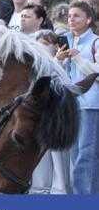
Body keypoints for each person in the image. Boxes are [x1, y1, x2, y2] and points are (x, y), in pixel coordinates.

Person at [57, 1, 99, 194]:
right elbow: (63, 76)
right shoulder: (67, 41)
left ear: (88, 20)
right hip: (72, 104)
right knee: (74, 155)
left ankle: (83, 200)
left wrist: (78, 58)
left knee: (86, 155)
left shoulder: (96, 42)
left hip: (91, 104)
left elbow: (96, 73)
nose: (71, 19)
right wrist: (59, 59)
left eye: (77, 16)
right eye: (70, 16)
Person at [31, 30, 74, 194]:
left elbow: (65, 84)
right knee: (40, 160)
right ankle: (39, 191)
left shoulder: (64, 62)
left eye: (44, 44)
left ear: (56, 46)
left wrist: (58, 60)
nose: (39, 47)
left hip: (57, 118)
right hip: (39, 117)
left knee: (59, 158)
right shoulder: (35, 63)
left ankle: (60, 192)